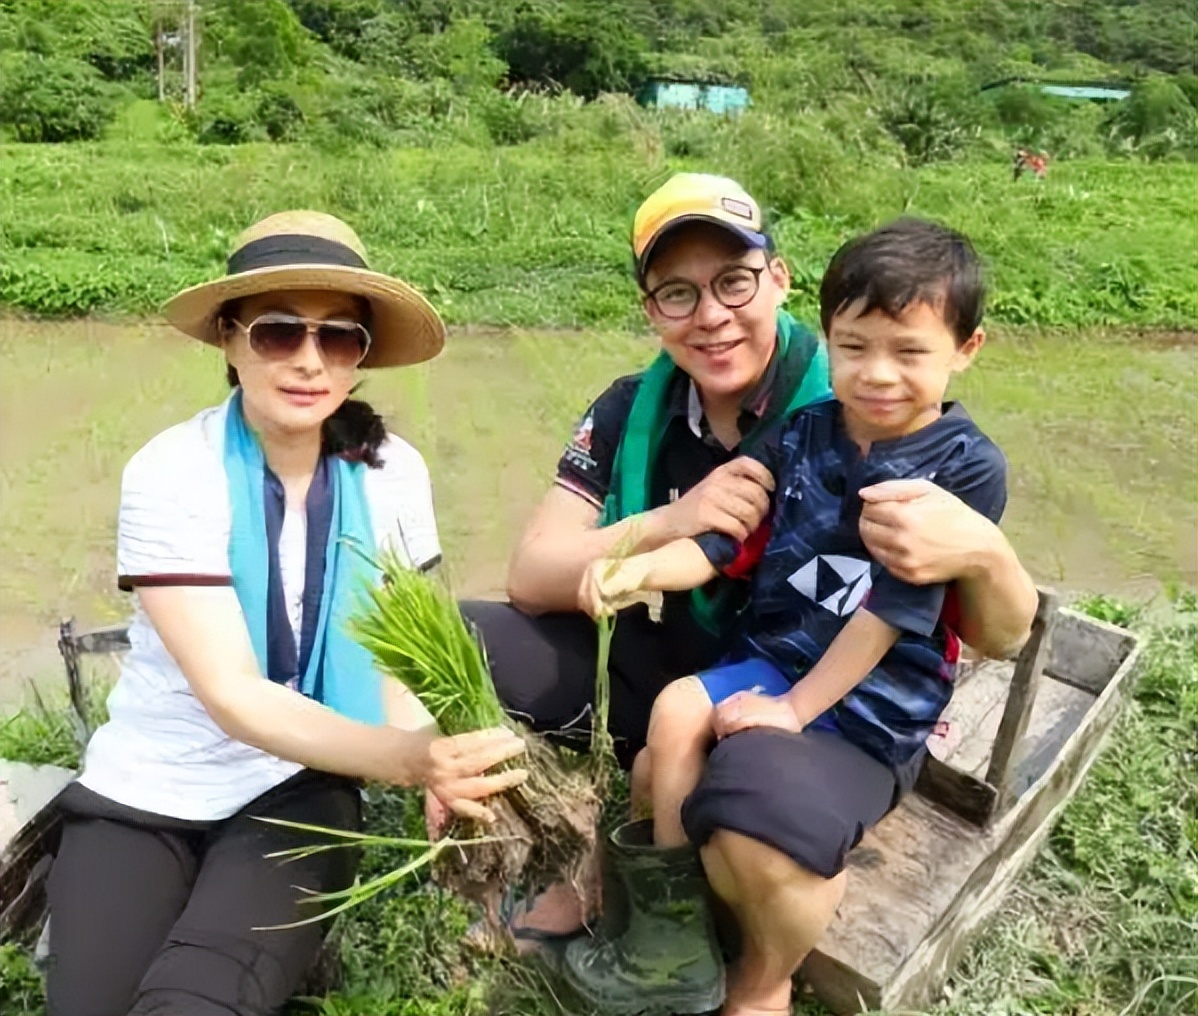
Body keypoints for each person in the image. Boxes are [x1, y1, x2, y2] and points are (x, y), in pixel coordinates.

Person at [460, 173, 1038, 1016]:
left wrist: (797, 706)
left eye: (733, 281)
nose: (711, 315)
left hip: (835, 689)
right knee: (526, 666)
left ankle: (754, 974)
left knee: (733, 797)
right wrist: (652, 541)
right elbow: (588, 567)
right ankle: (663, 930)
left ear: (778, 279)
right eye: (678, 292)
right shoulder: (689, 417)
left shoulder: (894, 433)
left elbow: (959, 623)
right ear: (651, 309)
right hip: (725, 657)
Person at [45, 211, 527, 1016]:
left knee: (194, 1004)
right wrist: (408, 760)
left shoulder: (391, 474)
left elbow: (395, 649)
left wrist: (429, 752)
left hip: (298, 786)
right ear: (229, 340)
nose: (309, 360)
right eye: (278, 332)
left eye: (338, 337)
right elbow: (232, 694)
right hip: (149, 782)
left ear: (360, 355)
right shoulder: (175, 470)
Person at [581, 218, 1005, 868]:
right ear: (826, 338)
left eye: (909, 353)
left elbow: (891, 612)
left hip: (877, 697)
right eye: (853, 347)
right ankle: (671, 896)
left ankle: (698, 875)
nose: (878, 374)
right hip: (779, 661)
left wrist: (792, 709)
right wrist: (635, 571)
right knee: (673, 713)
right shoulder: (803, 433)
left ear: (965, 348)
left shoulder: (964, 468)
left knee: (704, 782)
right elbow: (723, 544)